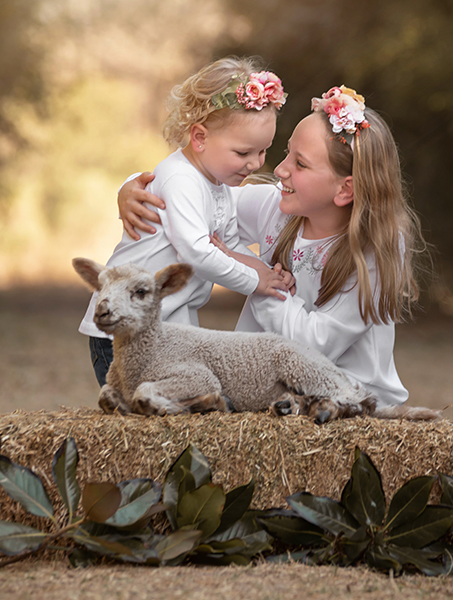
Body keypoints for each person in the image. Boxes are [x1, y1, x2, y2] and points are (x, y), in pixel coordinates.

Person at [118, 86, 427, 408]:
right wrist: (131, 187)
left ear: (344, 189)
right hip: (264, 391)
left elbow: (314, 346)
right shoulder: (277, 207)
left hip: (349, 392)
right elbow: (190, 195)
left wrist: (262, 284)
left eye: (301, 164)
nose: (280, 170)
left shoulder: (374, 249)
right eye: (286, 154)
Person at [79, 56, 294, 388]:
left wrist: (264, 270)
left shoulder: (218, 183)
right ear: (200, 138)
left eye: (263, 151)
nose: (255, 163)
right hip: (125, 327)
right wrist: (254, 282)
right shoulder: (182, 179)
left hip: (168, 329)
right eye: (243, 153)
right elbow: (197, 252)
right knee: (147, 413)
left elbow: (229, 244)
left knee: (179, 407)